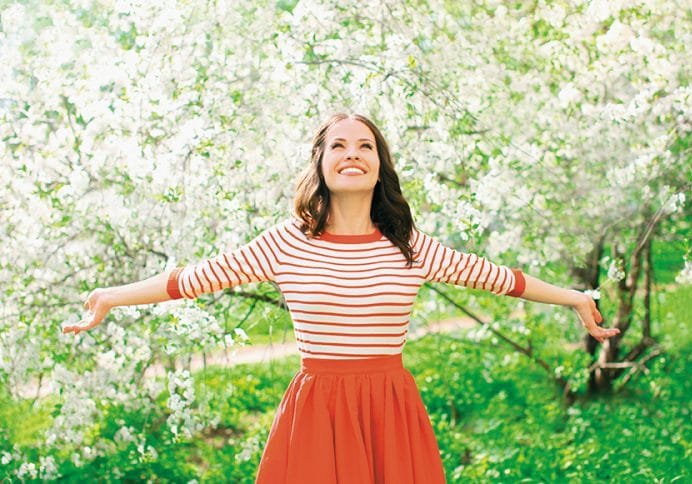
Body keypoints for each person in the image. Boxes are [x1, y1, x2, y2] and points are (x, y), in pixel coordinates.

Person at [63, 112, 619, 483]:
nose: (353, 154)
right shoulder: (286, 244)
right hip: (318, 410)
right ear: (321, 164)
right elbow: (194, 278)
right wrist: (111, 296)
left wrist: (574, 298)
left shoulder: (409, 248)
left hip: (389, 407)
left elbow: (500, 278)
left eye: (366, 146)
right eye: (339, 146)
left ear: (380, 166)